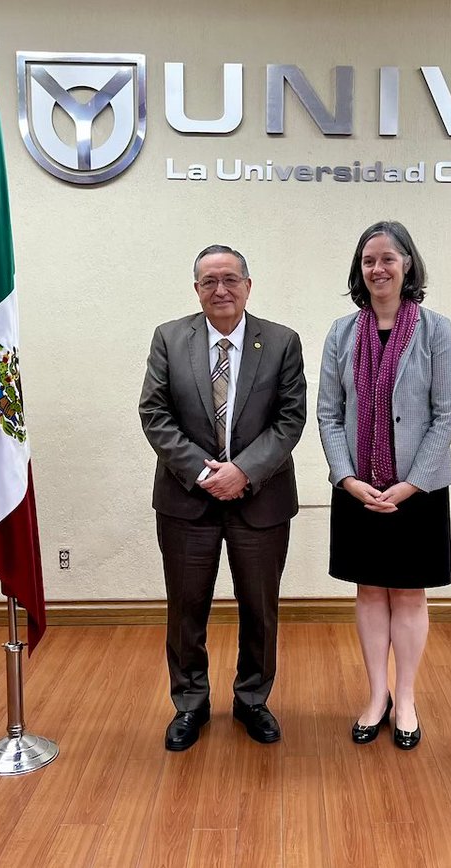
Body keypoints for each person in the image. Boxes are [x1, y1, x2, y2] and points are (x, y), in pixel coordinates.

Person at [139, 244, 307, 752]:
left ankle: (252, 699)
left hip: (260, 499)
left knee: (260, 609)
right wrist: (202, 472)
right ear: (197, 290)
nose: (221, 289)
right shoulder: (170, 338)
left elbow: (290, 419)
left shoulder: (281, 342)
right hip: (186, 500)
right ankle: (190, 703)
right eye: (209, 281)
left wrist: (243, 472)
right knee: (186, 609)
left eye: (230, 279)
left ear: (248, 286)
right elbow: (154, 414)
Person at [317, 220, 451, 750]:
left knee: (409, 594)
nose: (377, 268)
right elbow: (329, 414)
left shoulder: (435, 330)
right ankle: (376, 696)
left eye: (387, 259)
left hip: (417, 491)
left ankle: (406, 699)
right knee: (370, 592)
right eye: (368, 260)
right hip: (357, 489)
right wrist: (347, 479)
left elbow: (446, 414)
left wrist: (411, 484)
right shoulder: (341, 333)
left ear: (407, 265)